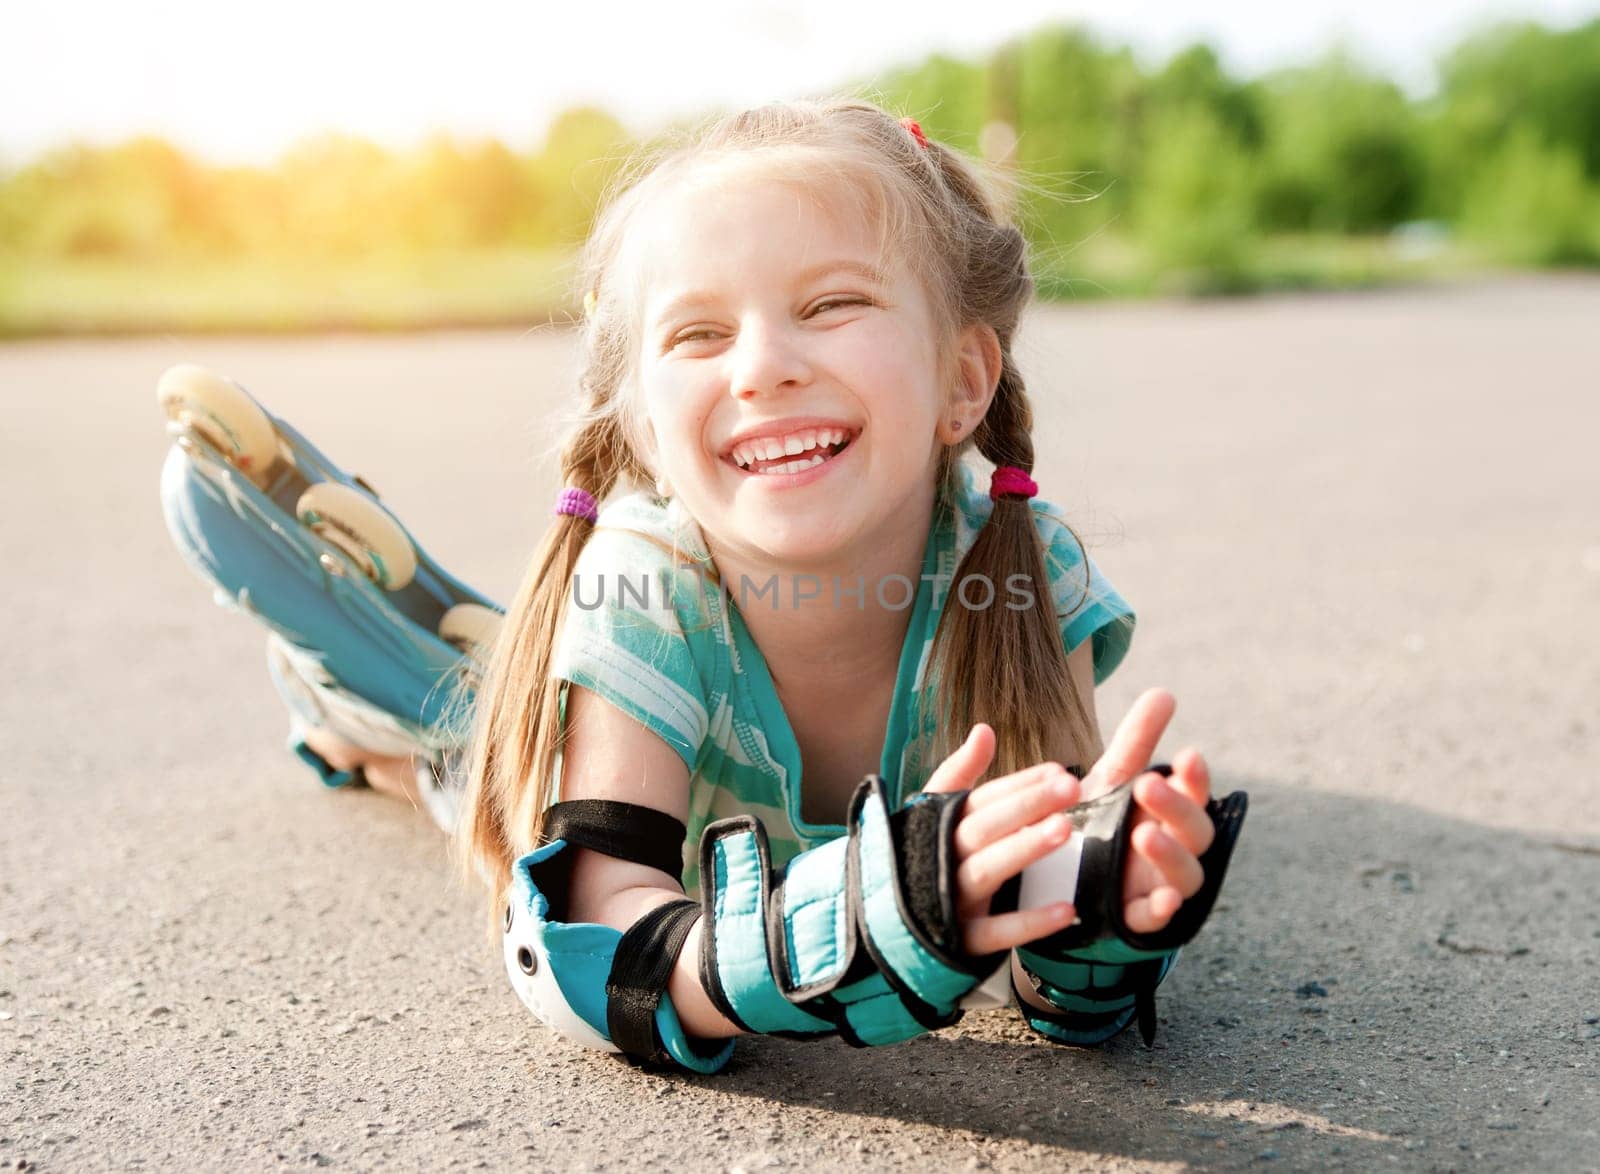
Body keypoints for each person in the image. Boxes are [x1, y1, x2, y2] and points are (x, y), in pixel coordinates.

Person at [297, 98, 1241, 1071]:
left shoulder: (1019, 572)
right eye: (698, 332)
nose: (762, 369)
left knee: (478, 752)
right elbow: (575, 945)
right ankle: (368, 726)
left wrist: (1099, 910)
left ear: (964, 378)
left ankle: (456, 681)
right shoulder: (643, 587)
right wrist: (811, 941)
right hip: (670, 809)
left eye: (831, 305)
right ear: (646, 434)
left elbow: (1046, 947)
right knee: (471, 783)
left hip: (741, 833)